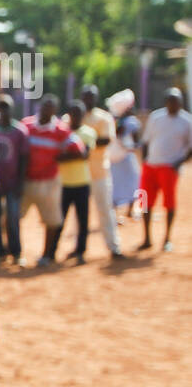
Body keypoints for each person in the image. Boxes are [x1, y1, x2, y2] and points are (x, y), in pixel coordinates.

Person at [138, 87, 192, 252]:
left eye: (177, 101)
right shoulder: (156, 117)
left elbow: (191, 147)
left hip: (169, 168)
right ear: (166, 102)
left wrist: (178, 163)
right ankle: (147, 238)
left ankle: (167, 238)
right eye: (171, 101)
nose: (174, 104)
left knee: (169, 202)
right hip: (150, 167)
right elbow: (146, 141)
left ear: (181, 103)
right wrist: (145, 161)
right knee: (145, 202)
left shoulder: (187, 121)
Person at [20, 94, 71, 267]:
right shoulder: (25, 126)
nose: (47, 109)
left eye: (51, 107)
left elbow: (78, 149)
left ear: (55, 110)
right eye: (45, 106)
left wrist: (56, 159)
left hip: (49, 181)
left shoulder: (61, 130)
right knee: (10, 218)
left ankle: (46, 255)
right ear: (40, 107)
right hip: (26, 181)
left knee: (52, 220)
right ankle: (16, 253)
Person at [80, 85, 123, 258]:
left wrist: (83, 145)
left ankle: (114, 247)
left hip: (100, 173)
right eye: (86, 96)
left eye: (91, 96)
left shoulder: (104, 117)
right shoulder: (73, 116)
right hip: (79, 176)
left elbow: (105, 141)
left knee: (105, 210)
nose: (88, 99)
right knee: (79, 216)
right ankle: (78, 249)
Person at [0, 94, 29, 265]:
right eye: (1, 107)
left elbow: (24, 158)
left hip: (13, 183)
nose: (4, 111)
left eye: (7, 107)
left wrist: (20, 182)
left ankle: (16, 252)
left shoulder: (19, 131)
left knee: (13, 218)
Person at [59, 101, 97, 264]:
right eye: (73, 113)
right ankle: (51, 251)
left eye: (79, 114)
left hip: (82, 182)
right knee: (59, 220)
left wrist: (62, 157)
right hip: (63, 183)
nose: (76, 117)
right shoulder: (62, 132)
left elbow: (84, 155)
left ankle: (80, 251)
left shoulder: (88, 132)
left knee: (83, 221)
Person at [106, 89, 141, 215]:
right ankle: (130, 211)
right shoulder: (131, 122)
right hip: (127, 157)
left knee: (114, 184)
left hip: (114, 157)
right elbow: (136, 141)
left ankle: (114, 212)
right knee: (133, 182)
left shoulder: (114, 121)